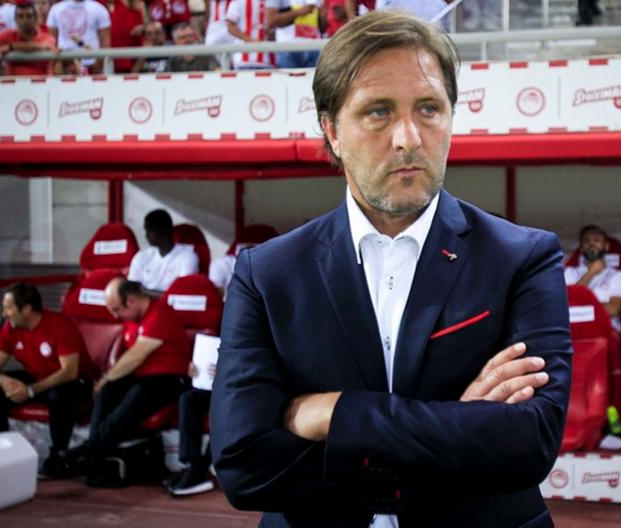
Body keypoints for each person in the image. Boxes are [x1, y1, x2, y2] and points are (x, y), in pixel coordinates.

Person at [210, 11, 572, 527]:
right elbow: (244, 466)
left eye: (429, 108)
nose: (409, 138)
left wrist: (332, 414)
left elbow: (529, 443)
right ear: (332, 130)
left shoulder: (523, 257)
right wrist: (459, 427)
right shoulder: (267, 274)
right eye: (378, 112)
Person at [67, 278, 190, 484]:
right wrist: (106, 382)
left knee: (131, 398)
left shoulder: (161, 314)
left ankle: (88, 449)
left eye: (117, 309)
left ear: (131, 301)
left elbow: (136, 356)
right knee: (107, 391)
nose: (114, 316)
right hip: (141, 376)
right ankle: (94, 455)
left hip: (169, 379)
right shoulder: (132, 318)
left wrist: (106, 378)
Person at [0, 283, 93, 478]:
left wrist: (30, 390)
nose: (4, 314)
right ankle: (2, 451)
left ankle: (59, 456)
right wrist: (4, 382)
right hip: (37, 378)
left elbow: (69, 372)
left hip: (75, 382)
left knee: (58, 396)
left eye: (8, 308)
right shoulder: (10, 328)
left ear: (27, 309)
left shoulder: (60, 325)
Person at [564, 224, 621, 434]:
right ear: (581, 248)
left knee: (608, 348)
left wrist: (583, 305)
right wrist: (590, 274)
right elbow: (564, 303)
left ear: (606, 246)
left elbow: (614, 309)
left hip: (606, 332)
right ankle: (568, 414)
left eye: (596, 240)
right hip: (573, 332)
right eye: (587, 241)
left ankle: (612, 410)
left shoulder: (618, 275)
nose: (592, 243)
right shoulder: (569, 272)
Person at [166, 361, 214, 496]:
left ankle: (205, 465)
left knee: (227, 405)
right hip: (212, 385)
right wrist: (194, 372)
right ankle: (191, 464)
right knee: (188, 398)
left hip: (239, 387)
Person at [127, 209, 199, 294]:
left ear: (164, 229)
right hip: (142, 302)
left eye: (150, 230)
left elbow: (181, 294)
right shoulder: (142, 256)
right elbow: (132, 289)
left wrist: (144, 291)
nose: (146, 235)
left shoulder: (187, 257)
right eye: (146, 230)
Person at [0, 1, 56, 77]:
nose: (25, 21)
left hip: (42, 83)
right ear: (15, 19)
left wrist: (9, 47)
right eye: (20, 16)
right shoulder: (9, 34)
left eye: (29, 16)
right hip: (15, 83)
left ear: (36, 19)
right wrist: (1, 47)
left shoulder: (47, 37)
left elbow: (40, 46)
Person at [46, 0, 111, 74]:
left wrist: (97, 66)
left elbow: (105, 42)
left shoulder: (99, 9)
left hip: (91, 65)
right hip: (64, 65)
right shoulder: (56, 9)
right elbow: (52, 41)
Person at [266, 0, 321, 69]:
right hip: (288, 49)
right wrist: (299, 12)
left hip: (314, 49)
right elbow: (271, 21)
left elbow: (322, 24)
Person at [225, 0, 273, 69]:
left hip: (268, 59)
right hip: (244, 59)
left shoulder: (271, 2)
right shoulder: (238, 2)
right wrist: (251, 40)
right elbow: (230, 27)